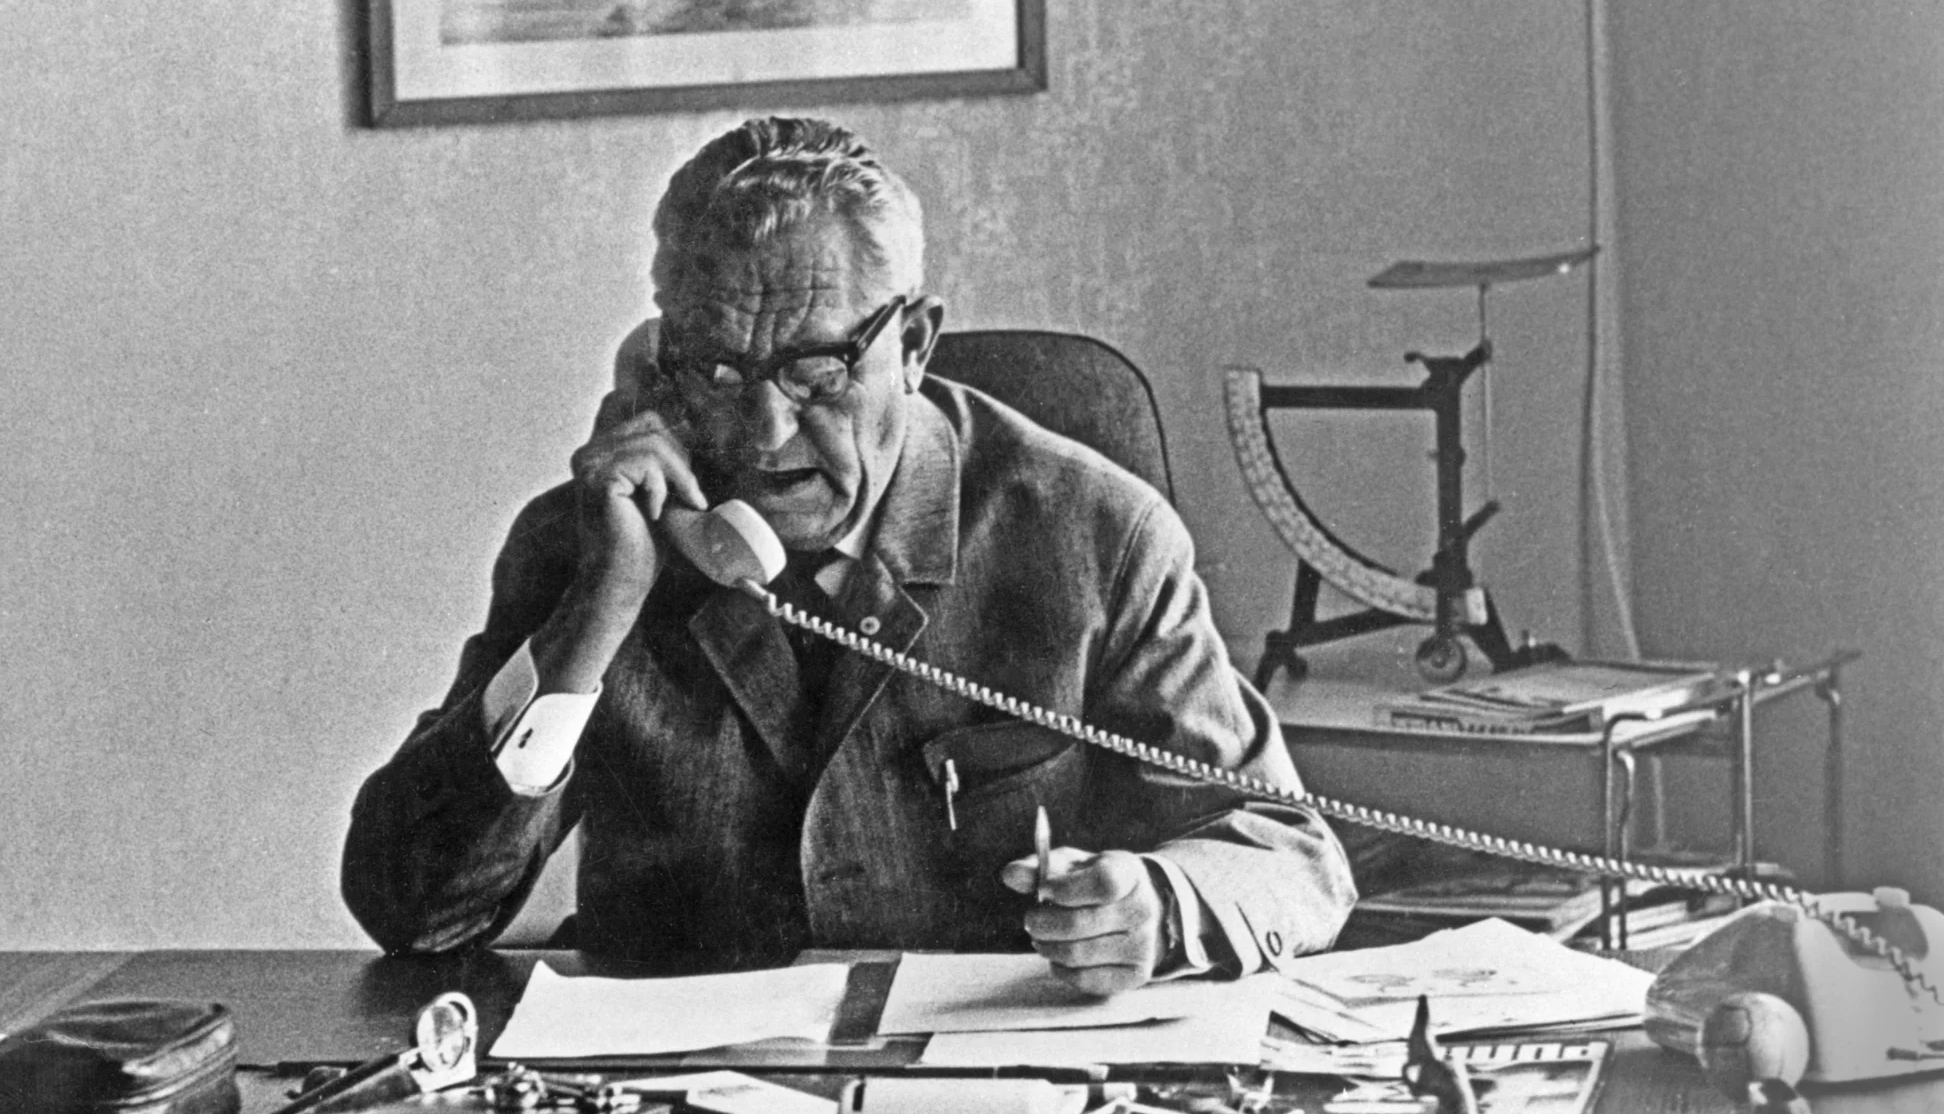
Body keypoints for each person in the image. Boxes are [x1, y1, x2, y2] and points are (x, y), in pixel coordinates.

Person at [341, 117, 1354, 993]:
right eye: (719, 367)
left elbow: (1289, 852)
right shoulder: (585, 542)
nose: (763, 426)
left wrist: (1161, 904)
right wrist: (596, 610)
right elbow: (415, 910)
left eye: (816, 367)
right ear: (659, 364)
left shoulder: (1095, 533)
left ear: (912, 344)